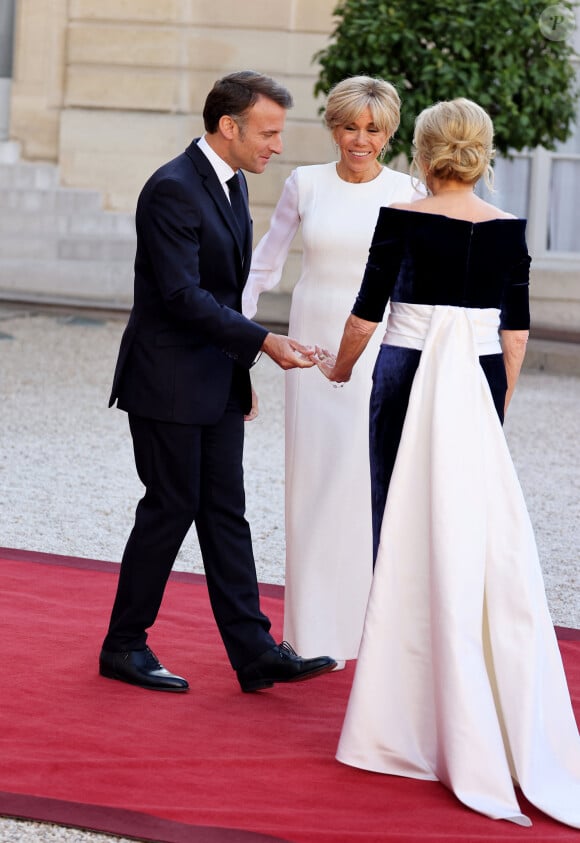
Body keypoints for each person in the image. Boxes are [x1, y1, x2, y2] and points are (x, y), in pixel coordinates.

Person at [320, 98, 580, 826]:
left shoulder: (401, 218)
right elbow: (517, 334)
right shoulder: (511, 230)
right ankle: (476, 696)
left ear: (425, 152)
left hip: (404, 378)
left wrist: (341, 369)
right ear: (482, 153)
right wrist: (492, 407)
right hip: (478, 381)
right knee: (475, 536)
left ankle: (407, 709)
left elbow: (365, 316)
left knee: (400, 529)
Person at [100, 71, 336, 694]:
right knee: (170, 508)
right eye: (268, 131)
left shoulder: (231, 185)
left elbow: (225, 294)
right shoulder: (172, 189)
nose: (276, 146)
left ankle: (255, 651)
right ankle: (123, 646)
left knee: (226, 512)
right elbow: (181, 295)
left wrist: (242, 370)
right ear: (228, 126)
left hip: (213, 378)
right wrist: (263, 342)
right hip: (166, 382)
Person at [242, 76, 422, 669]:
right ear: (333, 127)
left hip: (381, 354)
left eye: (372, 129)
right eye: (349, 126)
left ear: (389, 132)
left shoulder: (410, 192)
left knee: (368, 487)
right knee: (312, 484)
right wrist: (240, 340)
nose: (359, 139)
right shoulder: (305, 183)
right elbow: (263, 267)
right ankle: (310, 635)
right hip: (311, 355)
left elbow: (422, 288)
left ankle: (373, 635)